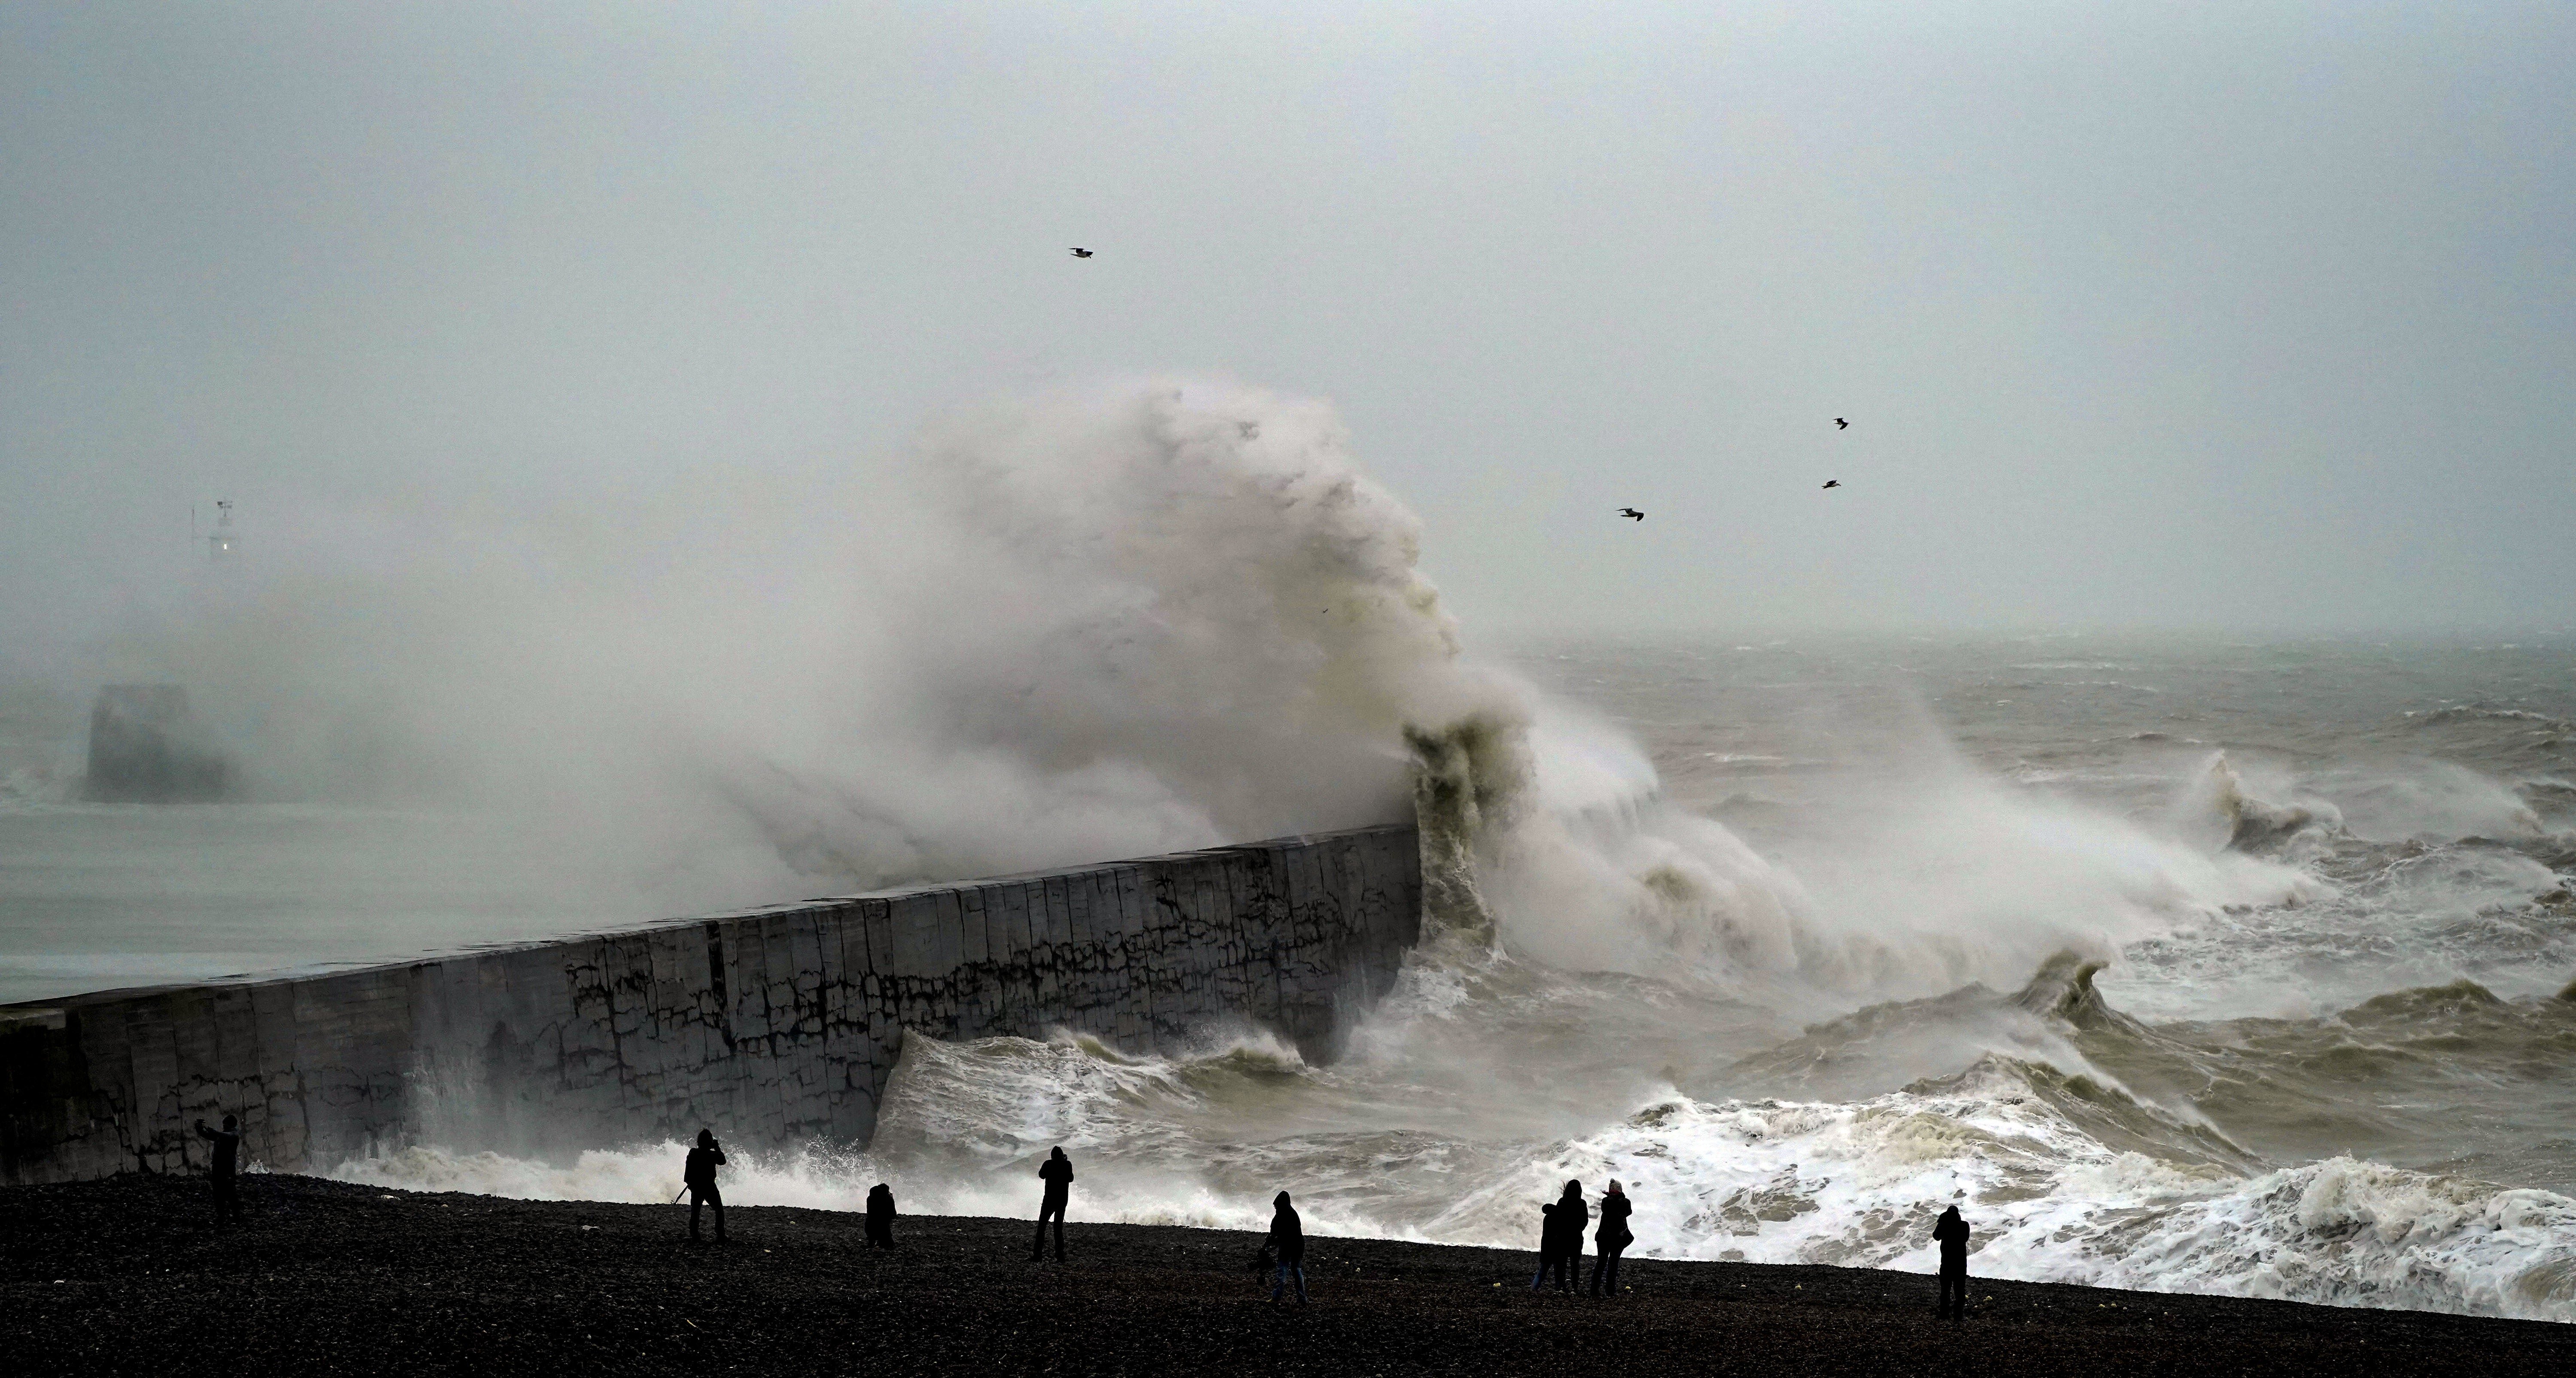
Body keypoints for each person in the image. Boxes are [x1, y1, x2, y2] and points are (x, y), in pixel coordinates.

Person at [1530, 1179, 1586, 1292]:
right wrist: (1578, 1229)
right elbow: (1585, 1222)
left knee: (1562, 1264)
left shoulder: (1562, 1202)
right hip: (1576, 1238)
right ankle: (1575, 1288)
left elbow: (1558, 1219)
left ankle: (1561, 1287)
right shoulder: (1582, 1203)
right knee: (1575, 1265)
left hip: (1563, 1238)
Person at [1588, 1179, 1633, 1297]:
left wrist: (1610, 1196)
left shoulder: (1605, 1201)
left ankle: (1594, 1291)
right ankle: (1610, 1292)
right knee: (1613, 1265)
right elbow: (1629, 1212)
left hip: (1603, 1237)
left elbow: (1607, 1209)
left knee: (1601, 1264)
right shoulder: (1625, 1202)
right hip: (1617, 1239)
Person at [193, 1115, 242, 1223]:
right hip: (218, 1167)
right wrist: (199, 1128)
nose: (224, 1127)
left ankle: (236, 1218)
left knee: (230, 1193)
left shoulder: (233, 1135)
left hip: (227, 1168)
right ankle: (222, 1217)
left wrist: (208, 1129)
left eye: (225, 1125)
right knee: (218, 1193)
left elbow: (219, 1135)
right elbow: (208, 1135)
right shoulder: (225, 1135)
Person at [1030, 1146, 1073, 1261]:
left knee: (1042, 1228)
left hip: (1049, 1200)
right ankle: (1060, 1257)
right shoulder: (1067, 1165)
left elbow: (1041, 1175)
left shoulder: (1048, 1164)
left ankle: (1038, 1256)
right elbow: (1071, 1178)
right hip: (1062, 1200)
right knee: (1058, 1229)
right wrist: (1064, 1162)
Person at [684, 1129, 726, 1244]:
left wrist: (690, 1183)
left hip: (697, 1186)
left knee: (696, 1211)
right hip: (709, 1187)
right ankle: (720, 1234)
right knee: (719, 1210)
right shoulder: (712, 1154)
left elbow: (688, 1171)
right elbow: (723, 1161)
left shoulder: (693, 1152)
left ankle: (695, 1234)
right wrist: (717, 1147)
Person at [1267, 1191, 1309, 1304]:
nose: (1276, 1208)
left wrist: (1269, 1244)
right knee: (1296, 1270)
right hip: (1298, 1246)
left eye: (1277, 1206)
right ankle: (1302, 1299)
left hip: (1290, 1246)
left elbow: (1276, 1234)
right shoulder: (1293, 1214)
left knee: (1282, 1271)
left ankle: (1276, 1298)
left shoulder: (1282, 1216)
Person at [1932, 1204, 1970, 1320]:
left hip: (1947, 1263)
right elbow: (1965, 1238)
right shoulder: (1964, 1226)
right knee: (1960, 1290)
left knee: (1945, 1290)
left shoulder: (1944, 1225)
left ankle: (1944, 1315)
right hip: (1960, 1263)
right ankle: (1958, 1316)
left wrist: (1942, 1221)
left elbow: (1936, 1236)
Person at [865, 1183, 897, 1250]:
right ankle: (880, 1244)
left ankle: (872, 1243)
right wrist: (891, 1200)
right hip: (883, 1228)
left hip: (869, 1227)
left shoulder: (870, 1199)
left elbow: (870, 1213)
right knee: (891, 1245)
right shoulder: (888, 1199)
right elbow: (893, 1215)